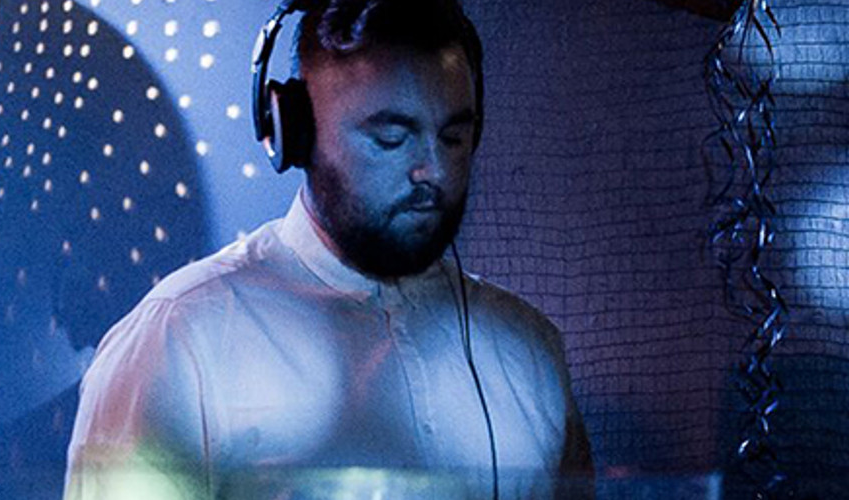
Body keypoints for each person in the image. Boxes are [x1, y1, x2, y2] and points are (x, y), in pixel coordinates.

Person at [63, 0, 594, 498]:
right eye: (391, 138)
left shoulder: (529, 350)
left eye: (454, 137)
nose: (432, 171)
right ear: (296, 132)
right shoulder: (180, 337)